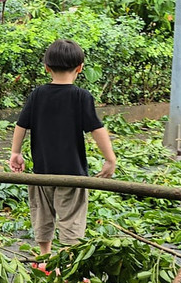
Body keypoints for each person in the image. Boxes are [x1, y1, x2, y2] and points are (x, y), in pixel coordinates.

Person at [8, 39, 117, 266]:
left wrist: (15, 153)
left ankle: (43, 258)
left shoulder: (38, 94)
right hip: (72, 173)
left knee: (41, 213)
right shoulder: (81, 96)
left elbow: (21, 125)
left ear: (46, 67)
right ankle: (68, 265)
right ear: (80, 67)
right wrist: (110, 158)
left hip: (42, 172)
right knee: (71, 218)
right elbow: (96, 128)